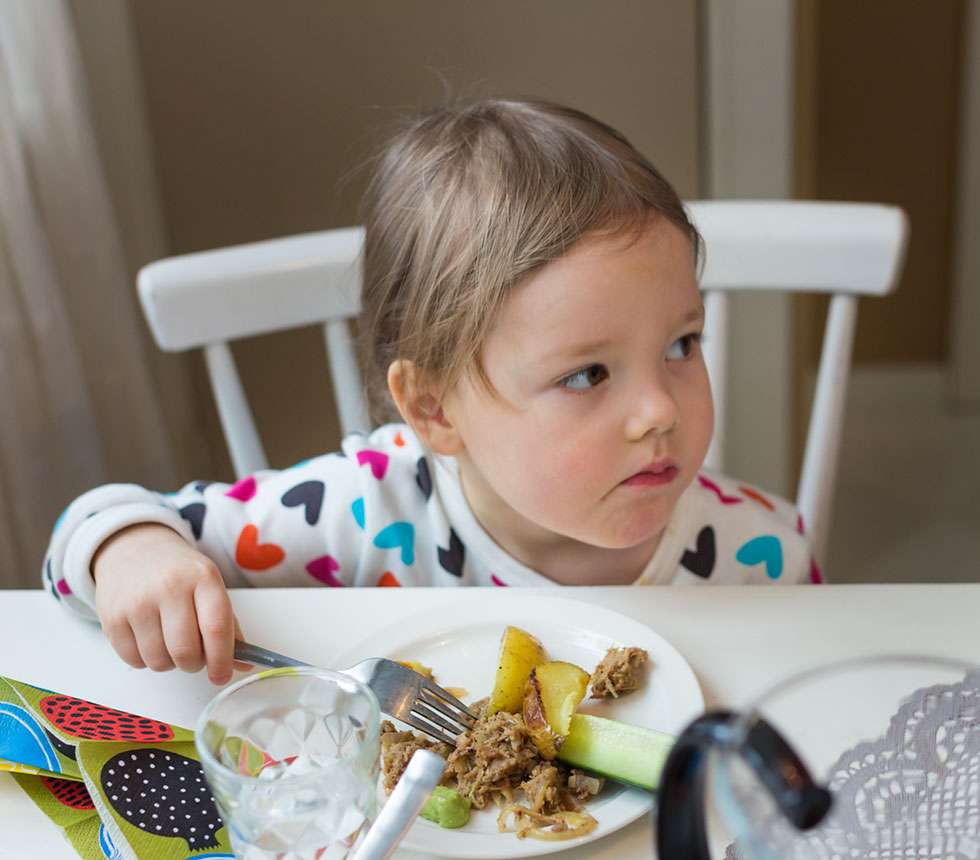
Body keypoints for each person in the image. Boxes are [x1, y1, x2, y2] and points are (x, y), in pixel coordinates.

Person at [43, 99, 820, 687]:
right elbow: (98, 531)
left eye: (681, 344)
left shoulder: (764, 555)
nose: (661, 410)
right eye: (587, 374)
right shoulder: (363, 515)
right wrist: (130, 552)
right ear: (434, 409)